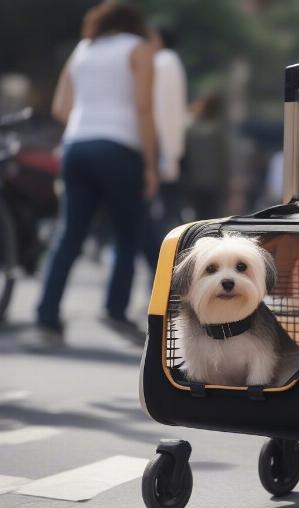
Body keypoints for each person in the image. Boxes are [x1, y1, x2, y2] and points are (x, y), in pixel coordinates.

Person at [32, 2, 156, 345]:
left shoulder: (83, 49)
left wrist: (90, 115)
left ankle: (47, 318)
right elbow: (144, 108)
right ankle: (115, 312)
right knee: (126, 234)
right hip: (120, 146)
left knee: (68, 235)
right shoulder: (139, 49)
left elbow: (61, 107)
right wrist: (150, 164)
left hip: (76, 145)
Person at [142, 24, 188, 270]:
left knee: (157, 221)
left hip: (159, 150)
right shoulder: (172, 61)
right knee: (163, 217)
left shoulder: (162, 62)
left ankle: (162, 273)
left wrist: (165, 156)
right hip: (167, 151)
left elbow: (161, 111)